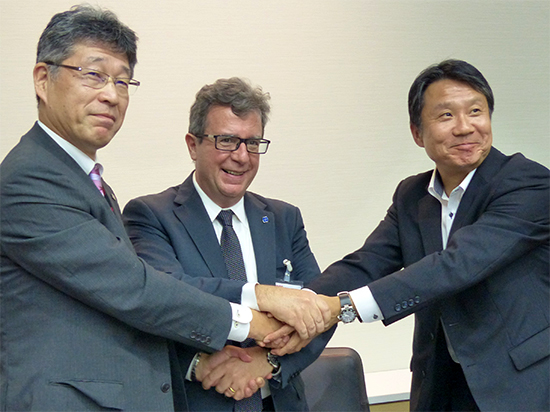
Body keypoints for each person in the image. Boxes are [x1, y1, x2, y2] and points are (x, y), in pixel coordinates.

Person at [0, 6, 330, 411]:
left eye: (123, 81)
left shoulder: (84, 180)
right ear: (42, 80)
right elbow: (136, 289)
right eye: (93, 75)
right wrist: (256, 317)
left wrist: (271, 356)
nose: (110, 94)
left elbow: (318, 301)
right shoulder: (31, 179)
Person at [278, 59, 549, 411]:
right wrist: (293, 306)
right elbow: (366, 263)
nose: (466, 127)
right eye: (446, 116)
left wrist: (343, 307)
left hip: (520, 387)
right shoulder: (412, 195)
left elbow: (455, 266)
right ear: (417, 133)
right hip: (441, 387)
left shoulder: (527, 182)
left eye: (476, 112)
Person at [123, 77, 334, 412]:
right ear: (193, 145)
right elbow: (166, 296)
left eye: (252, 143)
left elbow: (319, 310)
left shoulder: (283, 218)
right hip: (200, 400)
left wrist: (268, 361)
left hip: (279, 402)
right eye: (227, 141)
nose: (241, 157)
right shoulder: (151, 215)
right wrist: (259, 295)